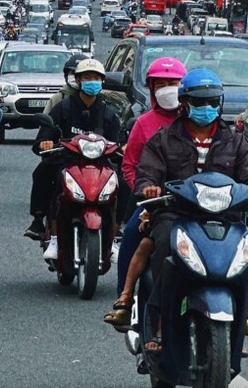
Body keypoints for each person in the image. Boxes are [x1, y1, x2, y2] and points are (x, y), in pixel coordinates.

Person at [133, 69, 248, 351]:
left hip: (226, 216)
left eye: (211, 102)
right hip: (176, 214)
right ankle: (160, 321)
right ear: (185, 104)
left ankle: (242, 312)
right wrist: (149, 186)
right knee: (163, 247)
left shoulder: (236, 140)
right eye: (199, 102)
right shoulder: (163, 139)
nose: (205, 108)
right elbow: (146, 174)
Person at [103, 57, 186, 328]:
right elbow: (130, 165)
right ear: (150, 89)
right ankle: (124, 300)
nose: (166, 89)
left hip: (196, 201)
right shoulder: (144, 124)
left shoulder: (196, 123)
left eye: (172, 83)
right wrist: (143, 192)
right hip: (156, 202)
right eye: (160, 85)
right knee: (130, 236)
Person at [25, 58, 121, 260]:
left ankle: (114, 235)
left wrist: (124, 148)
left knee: (124, 182)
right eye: (87, 78)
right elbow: (44, 136)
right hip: (66, 162)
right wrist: (46, 143)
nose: (92, 82)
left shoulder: (109, 114)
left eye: (96, 78)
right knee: (44, 172)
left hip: (100, 165)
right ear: (78, 80)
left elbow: (119, 142)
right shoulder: (63, 108)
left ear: (102, 81)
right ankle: (46, 230)